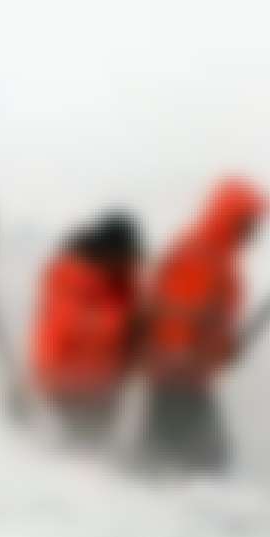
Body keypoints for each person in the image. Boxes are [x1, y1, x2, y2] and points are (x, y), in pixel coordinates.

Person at [140, 178, 264, 473]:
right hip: (178, 377)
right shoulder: (201, 255)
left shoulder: (216, 256)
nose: (256, 232)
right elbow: (178, 315)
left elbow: (209, 320)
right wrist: (180, 360)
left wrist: (223, 348)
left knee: (180, 456)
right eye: (251, 224)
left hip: (188, 376)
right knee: (197, 459)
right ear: (232, 220)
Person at [29, 212, 143, 444]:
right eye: (124, 254)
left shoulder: (121, 278)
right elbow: (69, 325)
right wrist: (127, 324)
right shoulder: (75, 275)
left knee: (94, 445)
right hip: (71, 384)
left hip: (105, 384)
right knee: (81, 448)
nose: (127, 260)